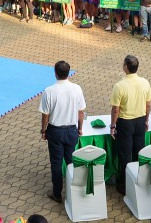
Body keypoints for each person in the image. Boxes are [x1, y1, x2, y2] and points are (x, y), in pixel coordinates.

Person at [39, 60, 86, 204]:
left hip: (55, 131)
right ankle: (75, 192)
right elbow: (81, 112)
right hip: (71, 130)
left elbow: (45, 115)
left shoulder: (49, 91)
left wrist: (43, 130)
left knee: (56, 163)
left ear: (55, 73)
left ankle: (57, 193)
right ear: (68, 73)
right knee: (71, 161)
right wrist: (79, 128)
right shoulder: (77, 89)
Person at [110, 54, 151, 195]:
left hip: (125, 123)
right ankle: (139, 180)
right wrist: (146, 120)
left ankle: (124, 185)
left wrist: (112, 125)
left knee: (125, 155)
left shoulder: (119, 86)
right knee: (138, 152)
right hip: (140, 121)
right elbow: (148, 105)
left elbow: (116, 109)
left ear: (125, 67)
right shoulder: (145, 82)